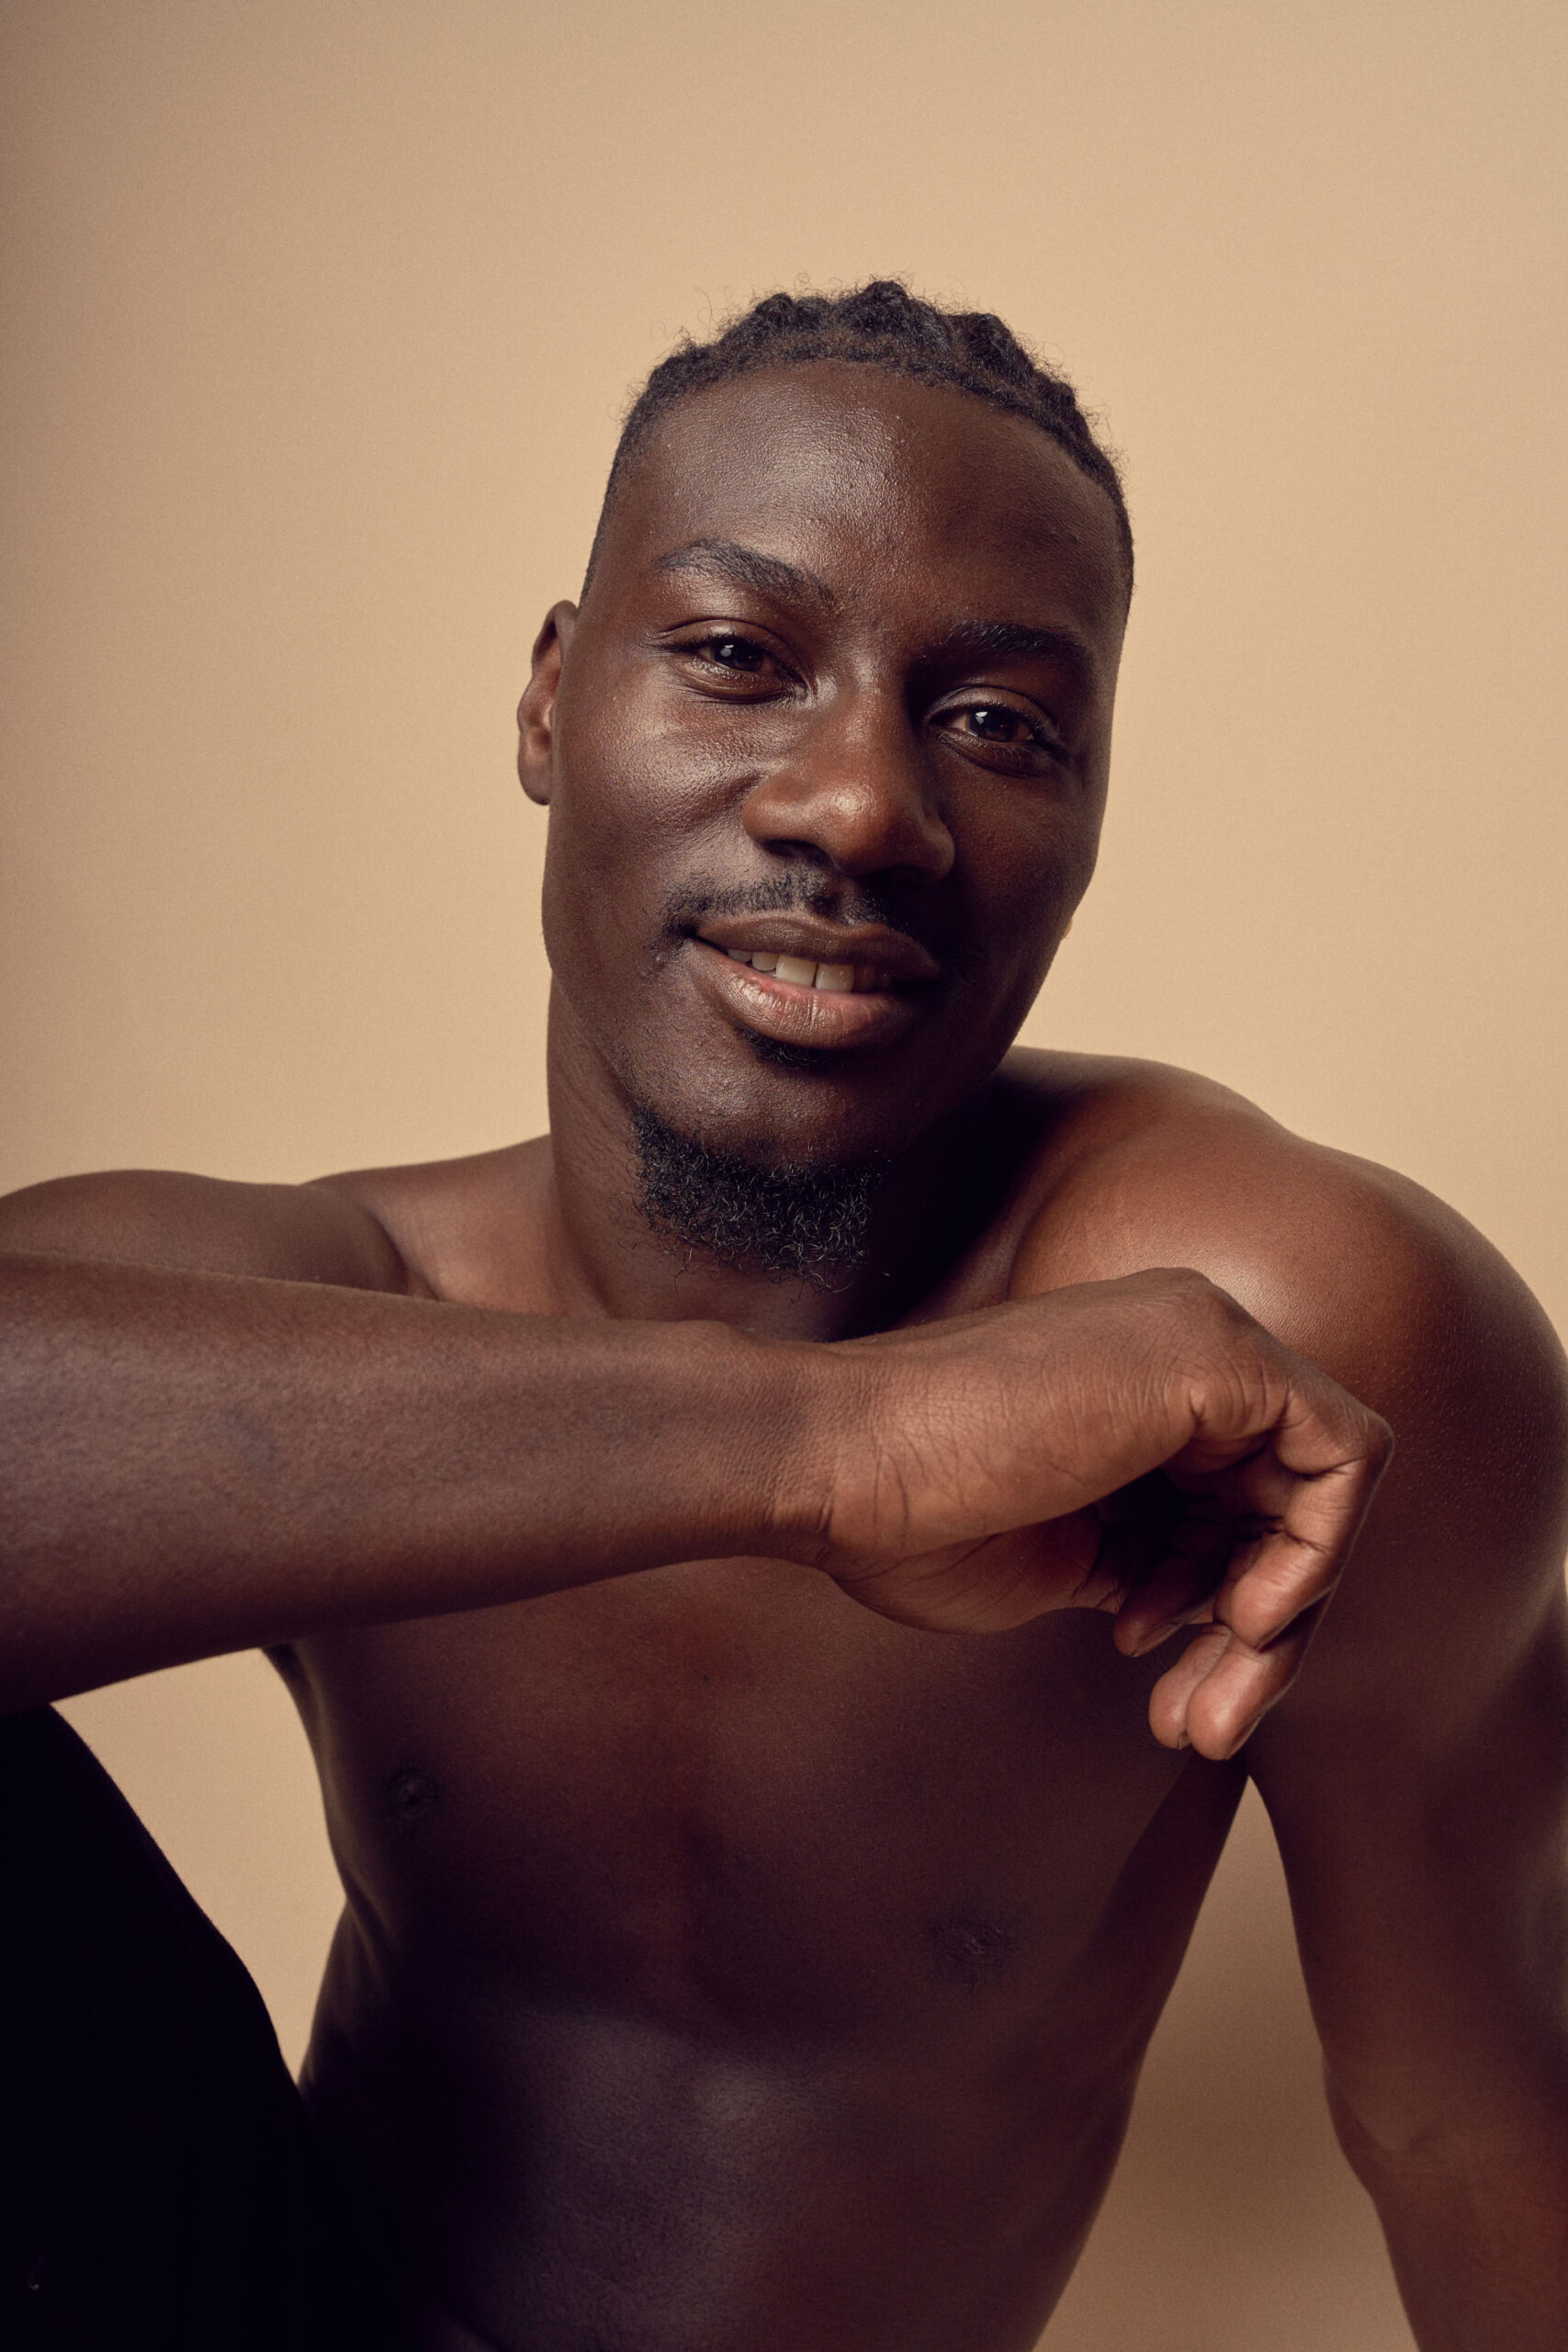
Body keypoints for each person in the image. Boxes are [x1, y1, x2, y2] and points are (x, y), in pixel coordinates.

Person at [1, 280, 1563, 2352]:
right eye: (738, 658)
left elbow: (1461, 2127)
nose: (854, 806)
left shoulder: (1266, 1354)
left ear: (1088, 817)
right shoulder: (334, 1307)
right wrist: (829, 1448)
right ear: (553, 702)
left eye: (997, 722)